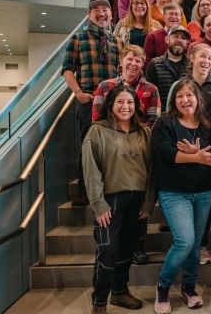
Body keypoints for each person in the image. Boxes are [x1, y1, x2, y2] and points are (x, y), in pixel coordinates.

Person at [150, 79, 211, 314]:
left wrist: (197, 155)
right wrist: (196, 156)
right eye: (180, 96)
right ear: (174, 100)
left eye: (189, 95)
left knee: (195, 245)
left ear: (197, 98)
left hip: (203, 191)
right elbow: (166, 154)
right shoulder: (165, 123)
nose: (185, 100)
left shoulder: (207, 125)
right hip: (174, 192)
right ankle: (162, 287)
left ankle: (189, 288)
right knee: (185, 241)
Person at [82, 84, 151, 314]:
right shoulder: (97, 131)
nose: (125, 106)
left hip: (137, 201)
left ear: (136, 106)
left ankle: (119, 292)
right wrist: (98, 203)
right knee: (108, 251)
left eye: (130, 102)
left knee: (127, 249)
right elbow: (90, 169)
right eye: (120, 102)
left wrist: (149, 201)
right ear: (110, 105)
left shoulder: (144, 132)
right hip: (109, 202)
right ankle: (100, 302)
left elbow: (152, 169)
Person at [168, 43, 211, 266]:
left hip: (209, 153)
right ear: (192, 58)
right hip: (182, 150)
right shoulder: (179, 85)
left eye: (209, 57)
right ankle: (182, 244)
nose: (206, 61)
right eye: (202, 56)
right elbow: (170, 117)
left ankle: (202, 246)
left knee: (207, 203)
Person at [62, 0, 123, 207]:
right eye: (96, 10)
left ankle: (109, 187)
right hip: (88, 100)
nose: (101, 13)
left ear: (111, 14)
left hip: (113, 103)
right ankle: (84, 191)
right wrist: (77, 92)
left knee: (112, 147)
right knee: (89, 147)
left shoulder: (117, 41)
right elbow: (67, 69)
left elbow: (121, 71)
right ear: (89, 15)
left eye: (105, 9)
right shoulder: (78, 38)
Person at [92, 45, 161, 129]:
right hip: (109, 137)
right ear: (121, 61)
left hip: (140, 138)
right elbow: (97, 119)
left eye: (138, 61)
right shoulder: (104, 86)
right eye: (130, 59)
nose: (133, 63)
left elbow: (153, 121)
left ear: (142, 65)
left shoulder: (151, 89)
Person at [145, 25, 191, 110]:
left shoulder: (191, 66)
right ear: (167, 39)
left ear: (187, 43)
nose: (180, 40)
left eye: (183, 38)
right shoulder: (154, 64)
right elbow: (150, 95)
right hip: (162, 116)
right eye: (176, 36)